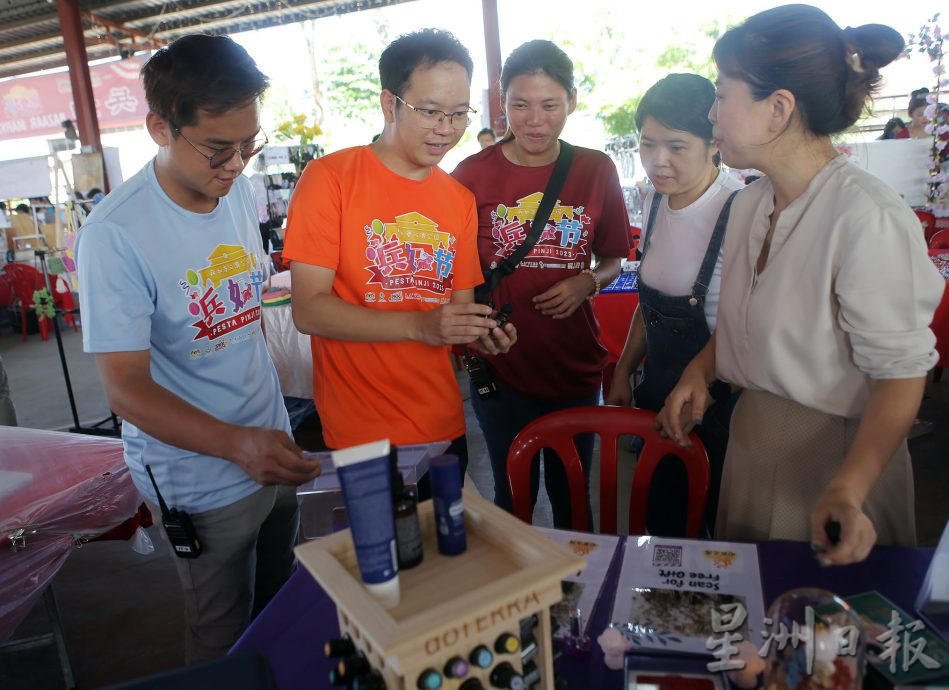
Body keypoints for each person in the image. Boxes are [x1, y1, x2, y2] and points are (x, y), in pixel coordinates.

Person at [658, 5, 944, 565]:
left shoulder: (866, 216)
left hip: (835, 461)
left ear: (778, 108)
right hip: (751, 445)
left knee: (819, 638)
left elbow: (902, 375)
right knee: (752, 638)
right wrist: (701, 371)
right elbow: (744, 320)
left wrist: (849, 488)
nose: (712, 114)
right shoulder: (749, 205)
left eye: (722, 94)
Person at [75, 34, 321, 662]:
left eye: (249, 144)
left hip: (270, 443)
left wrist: (268, 428)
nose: (237, 164)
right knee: (221, 634)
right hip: (199, 477)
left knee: (278, 602)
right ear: (160, 126)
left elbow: (246, 307)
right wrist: (238, 445)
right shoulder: (114, 234)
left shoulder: (233, 188)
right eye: (218, 147)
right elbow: (125, 391)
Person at [283, 29, 516, 477]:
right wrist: (418, 325)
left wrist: (480, 332)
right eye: (430, 111)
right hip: (360, 434)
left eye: (458, 114)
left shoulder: (457, 199)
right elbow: (308, 310)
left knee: (444, 545)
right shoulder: (329, 179)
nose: (446, 129)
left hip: (442, 423)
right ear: (390, 104)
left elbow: (457, 311)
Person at [452, 40, 629, 528]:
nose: (534, 120)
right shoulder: (470, 175)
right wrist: (472, 329)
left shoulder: (596, 169)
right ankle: (522, 598)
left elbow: (615, 257)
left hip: (573, 366)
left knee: (573, 497)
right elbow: (455, 275)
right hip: (500, 365)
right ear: (501, 103)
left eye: (550, 105)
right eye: (519, 105)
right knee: (514, 498)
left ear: (571, 101)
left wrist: (587, 282)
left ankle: (577, 597)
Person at [605, 73, 742, 536]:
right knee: (663, 523)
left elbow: (748, 323)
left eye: (677, 147)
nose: (657, 162)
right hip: (658, 394)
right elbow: (652, 301)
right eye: (647, 144)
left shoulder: (740, 210)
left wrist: (697, 379)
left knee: (719, 531)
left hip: (720, 404)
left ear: (714, 144)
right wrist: (625, 369)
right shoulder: (657, 203)